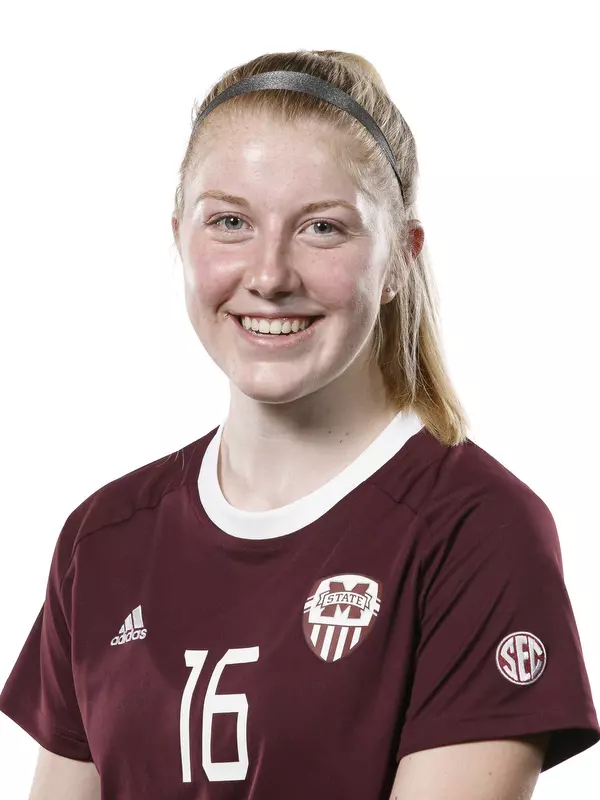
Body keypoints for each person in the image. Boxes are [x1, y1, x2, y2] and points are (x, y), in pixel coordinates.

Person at [0, 49, 598, 800]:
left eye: (321, 228)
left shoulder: (475, 530)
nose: (270, 274)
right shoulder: (104, 537)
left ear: (396, 263)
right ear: (178, 236)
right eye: (230, 222)